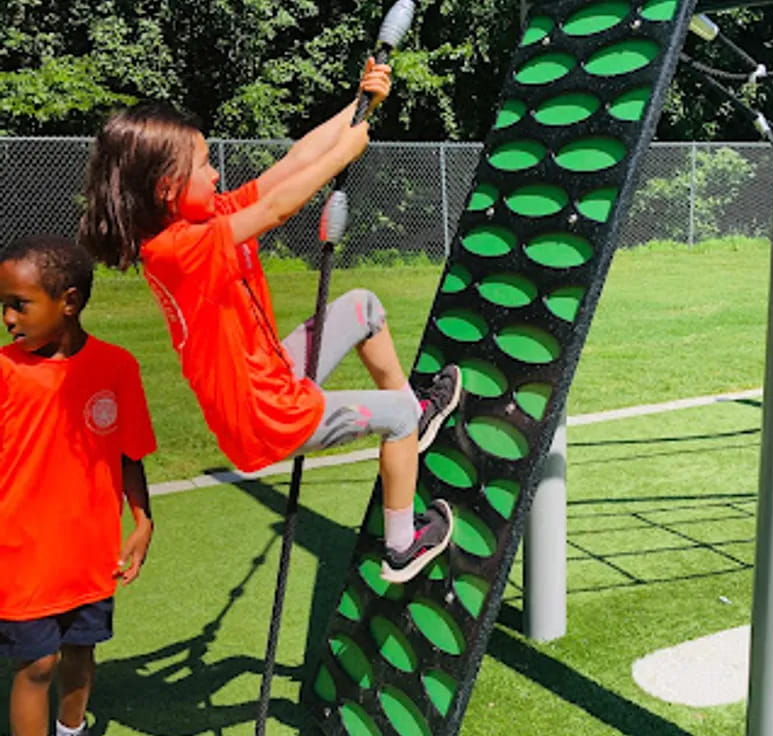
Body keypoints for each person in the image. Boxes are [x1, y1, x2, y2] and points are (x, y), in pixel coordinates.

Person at [77, 59, 462, 584]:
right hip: (266, 421)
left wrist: (360, 106)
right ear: (168, 188)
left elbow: (292, 162)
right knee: (394, 414)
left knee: (364, 307)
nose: (216, 174)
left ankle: (415, 423)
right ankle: (401, 546)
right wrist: (345, 156)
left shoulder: (208, 217)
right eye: (206, 164)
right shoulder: (175, 251)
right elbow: (280, 206)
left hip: (273, 377)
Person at [0, 235, 157, 736]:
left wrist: (143, 519)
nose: (8, 320)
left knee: (80, 651)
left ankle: (72, 729)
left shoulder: (117, 367)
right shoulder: (5, 372)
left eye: (19, 306)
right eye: (5, 307)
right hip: (22, 553)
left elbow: (130, 451)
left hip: (90, 551)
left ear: (69, 302)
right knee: (37, 665)